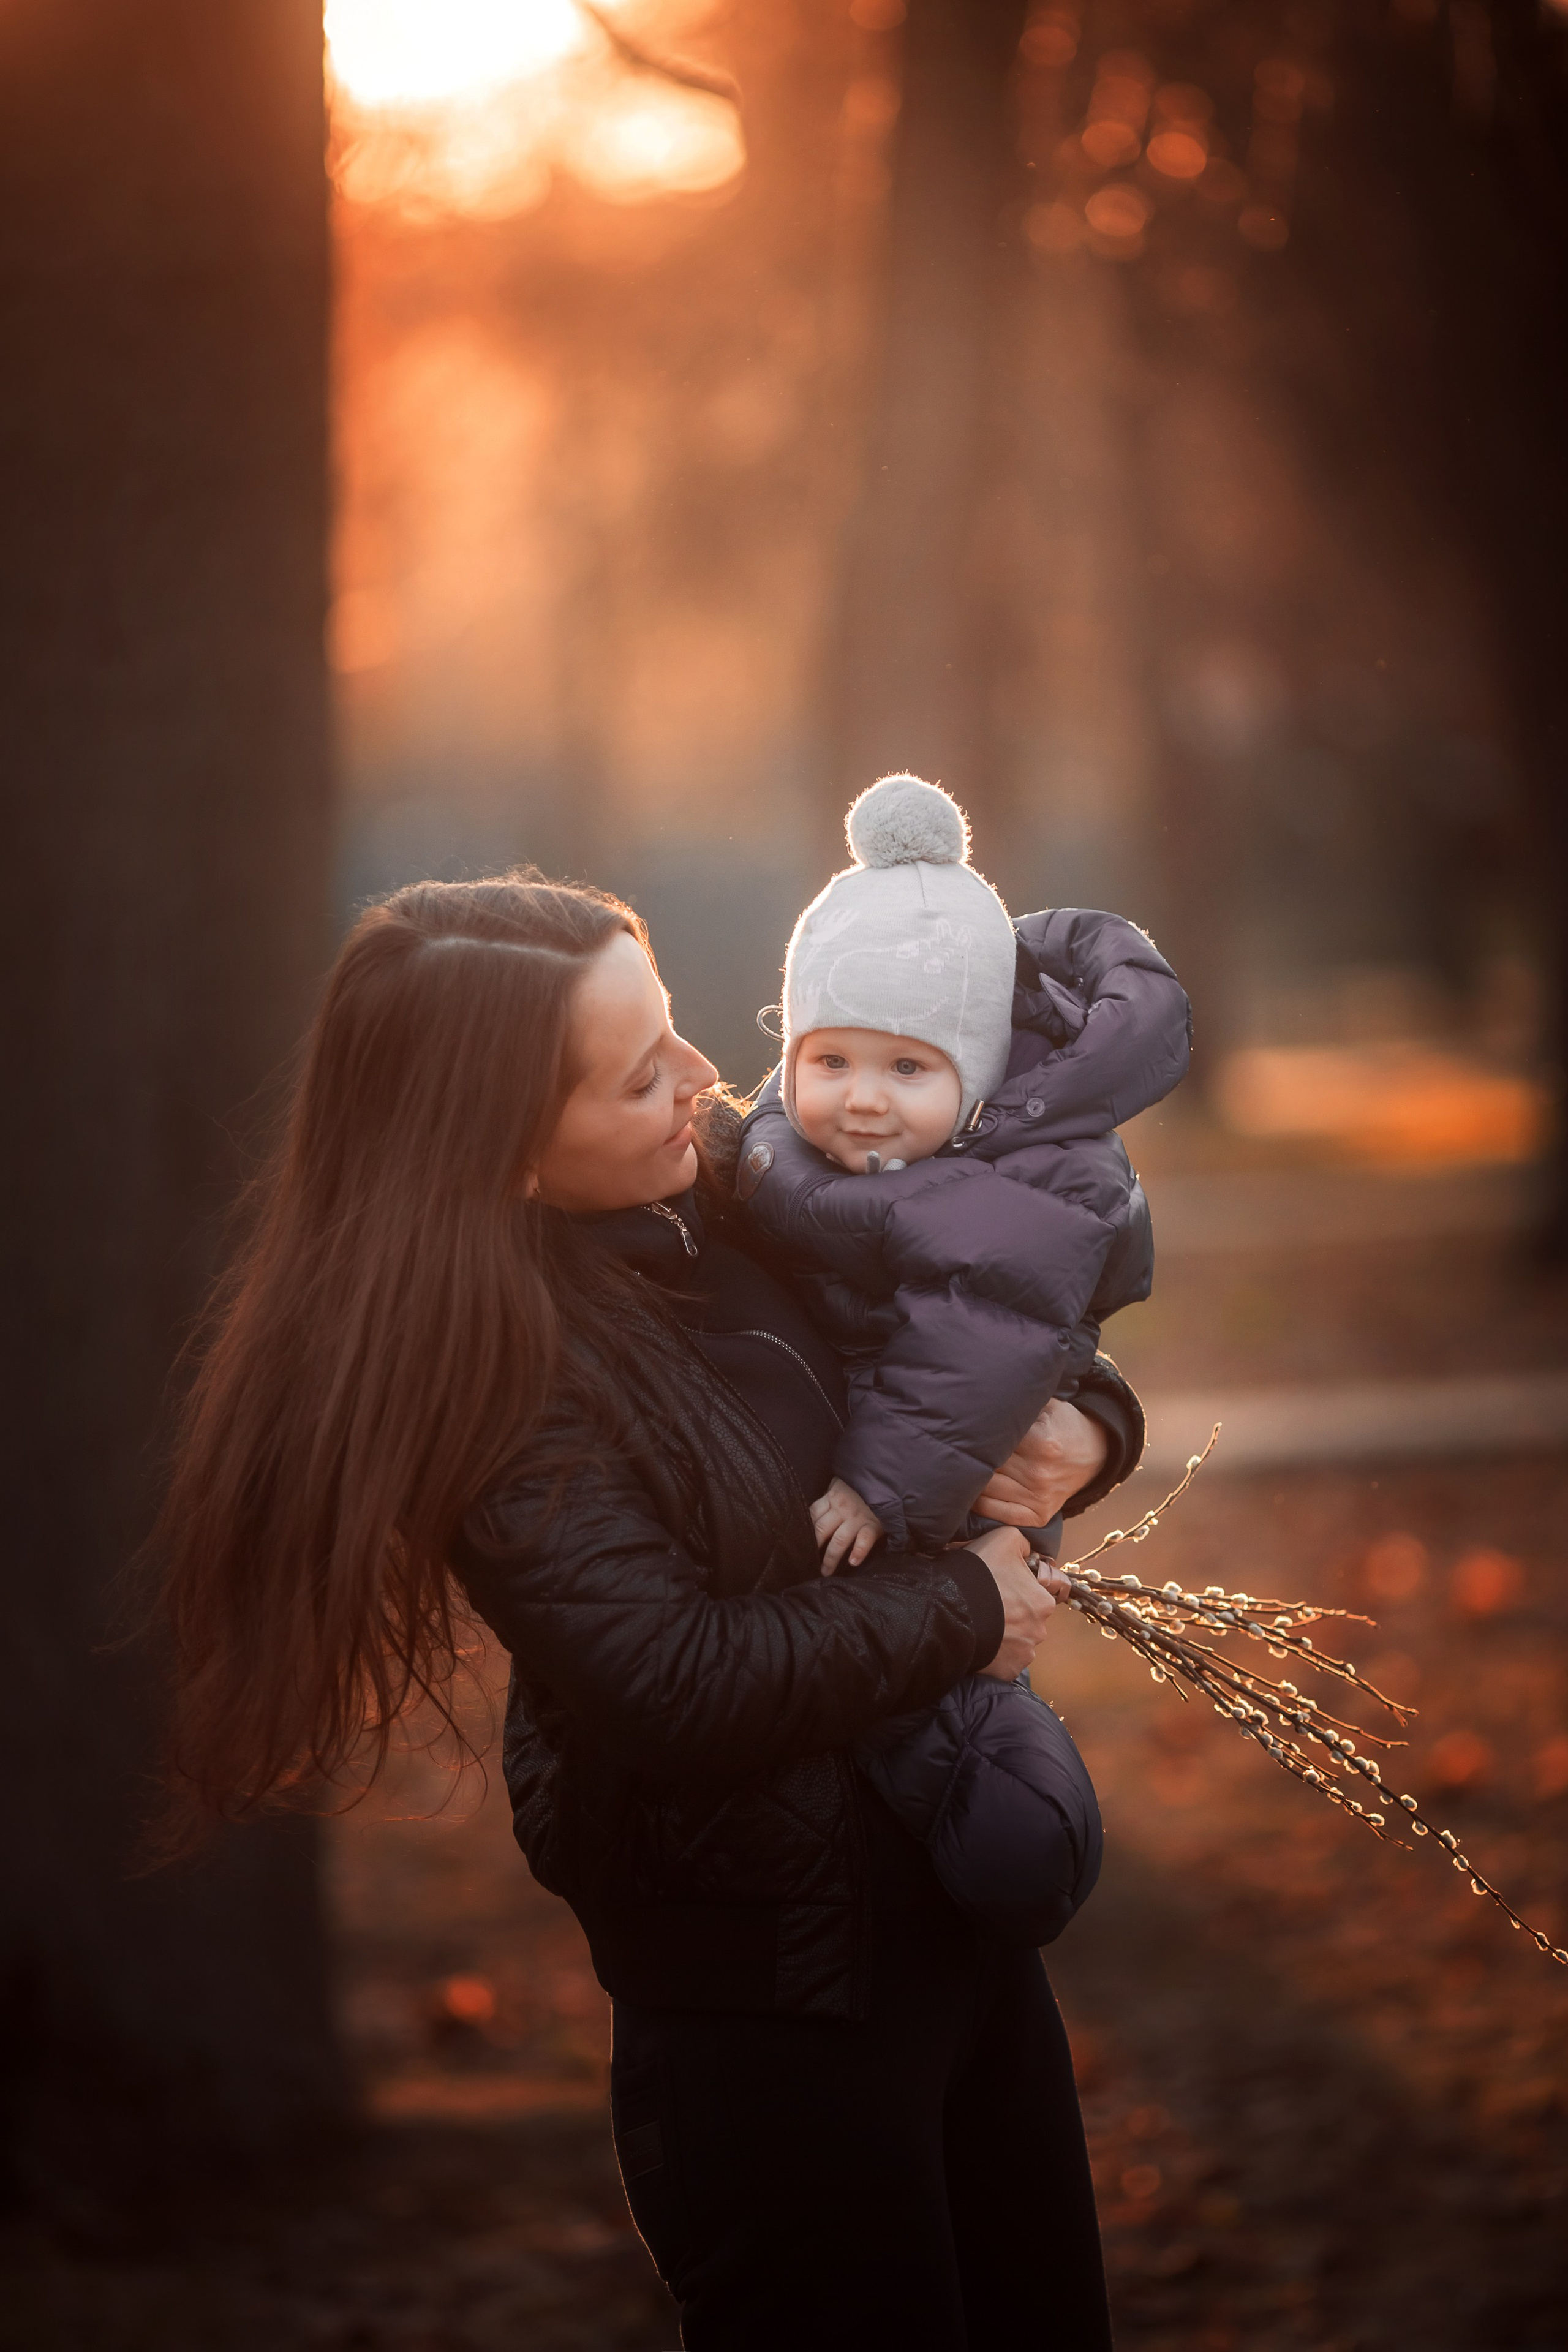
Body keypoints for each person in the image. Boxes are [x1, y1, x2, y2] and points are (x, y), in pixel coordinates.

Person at [151, 873, 1145, 2350]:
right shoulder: (496, 1384)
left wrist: (1091, 1423)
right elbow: (669, 1681)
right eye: (637, 1077)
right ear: (500, 1158)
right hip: (775, 2011)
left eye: (674, 1031)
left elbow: (988, 1297)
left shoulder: (752, 1196)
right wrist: (959, 1607)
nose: (703, 1081)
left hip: (952, 1914)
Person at [732, 769, 1190, 1574]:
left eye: (908, 1069)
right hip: (863, 1544)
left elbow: (980, 1345)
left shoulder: (1020, 1187)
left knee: (980, 1703)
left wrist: (879, 1487)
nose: (863, 1099)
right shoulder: (777, 1147)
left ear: (976, 1085)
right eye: (832, 1059)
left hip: (948, 1528)